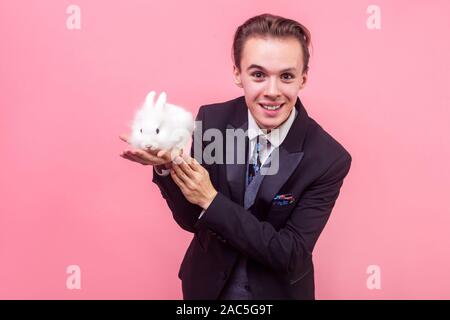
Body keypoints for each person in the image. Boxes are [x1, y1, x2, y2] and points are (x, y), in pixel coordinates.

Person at [119, 13, 352, 300]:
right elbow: (193, 220)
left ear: (303, 79)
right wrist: (168, 166)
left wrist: (210, 199)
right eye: (258, 75)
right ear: (237, 74)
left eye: (287, 76)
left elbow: (288, 253)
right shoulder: (211, 120)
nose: (272, 92)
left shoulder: (328, 158)